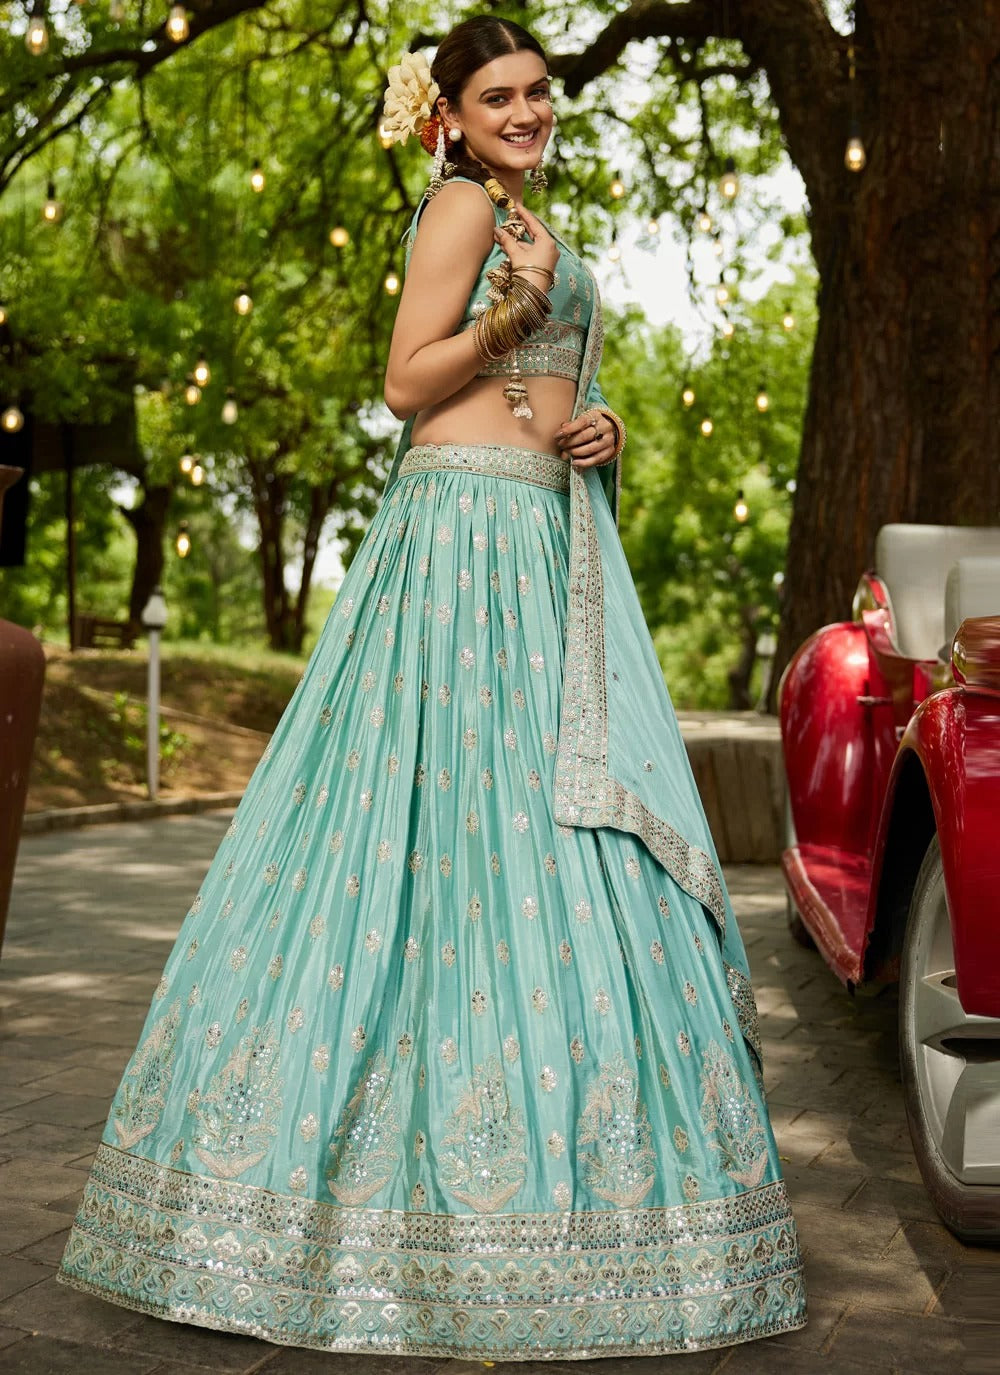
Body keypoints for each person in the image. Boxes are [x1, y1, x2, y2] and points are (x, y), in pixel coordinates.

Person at [59, 15, 806, 1361]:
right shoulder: (462, 208)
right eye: (499, 96)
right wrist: (514, 310)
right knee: (440, 832)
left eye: (540, 93)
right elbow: (406, 382)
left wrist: (599, 426)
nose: (527, 113)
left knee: (542, 827)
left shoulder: (528, 217)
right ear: (448, 115)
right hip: (463, 547)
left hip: (539, 536)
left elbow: (544, 387)